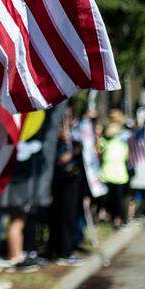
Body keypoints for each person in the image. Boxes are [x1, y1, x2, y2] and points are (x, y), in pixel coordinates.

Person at [48, 112, 84, 264]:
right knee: (63, 215)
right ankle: (63, 252)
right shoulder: (54, 135)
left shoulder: (73, 132)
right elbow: (58, 159)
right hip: (62, 179)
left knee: (68, 215)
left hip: (72, 179)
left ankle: (63, 249)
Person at [97, 111, 130, 228]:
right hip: (111, 174)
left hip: (116, 174)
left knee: (116, 199)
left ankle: (117, 219)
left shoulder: (123, 139)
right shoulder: (108, 141)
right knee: (113, 199)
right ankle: (115, 218)